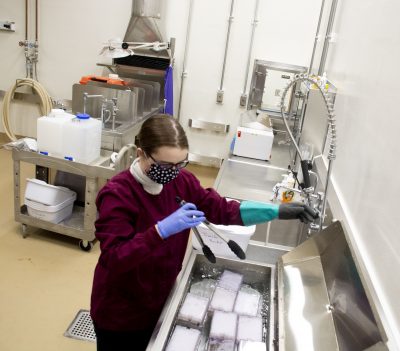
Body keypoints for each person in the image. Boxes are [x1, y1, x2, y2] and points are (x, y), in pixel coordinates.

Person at [90, 114, 317, 351]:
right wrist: (160, 231)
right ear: (141, 154)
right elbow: (115, 258)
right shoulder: (117, 194)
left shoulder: (181, 180)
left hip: (160, 297)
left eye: (181, 163)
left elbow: (220, 209)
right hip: (121, 312)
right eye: (165, 166)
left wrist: (275, 211)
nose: (173, 172)